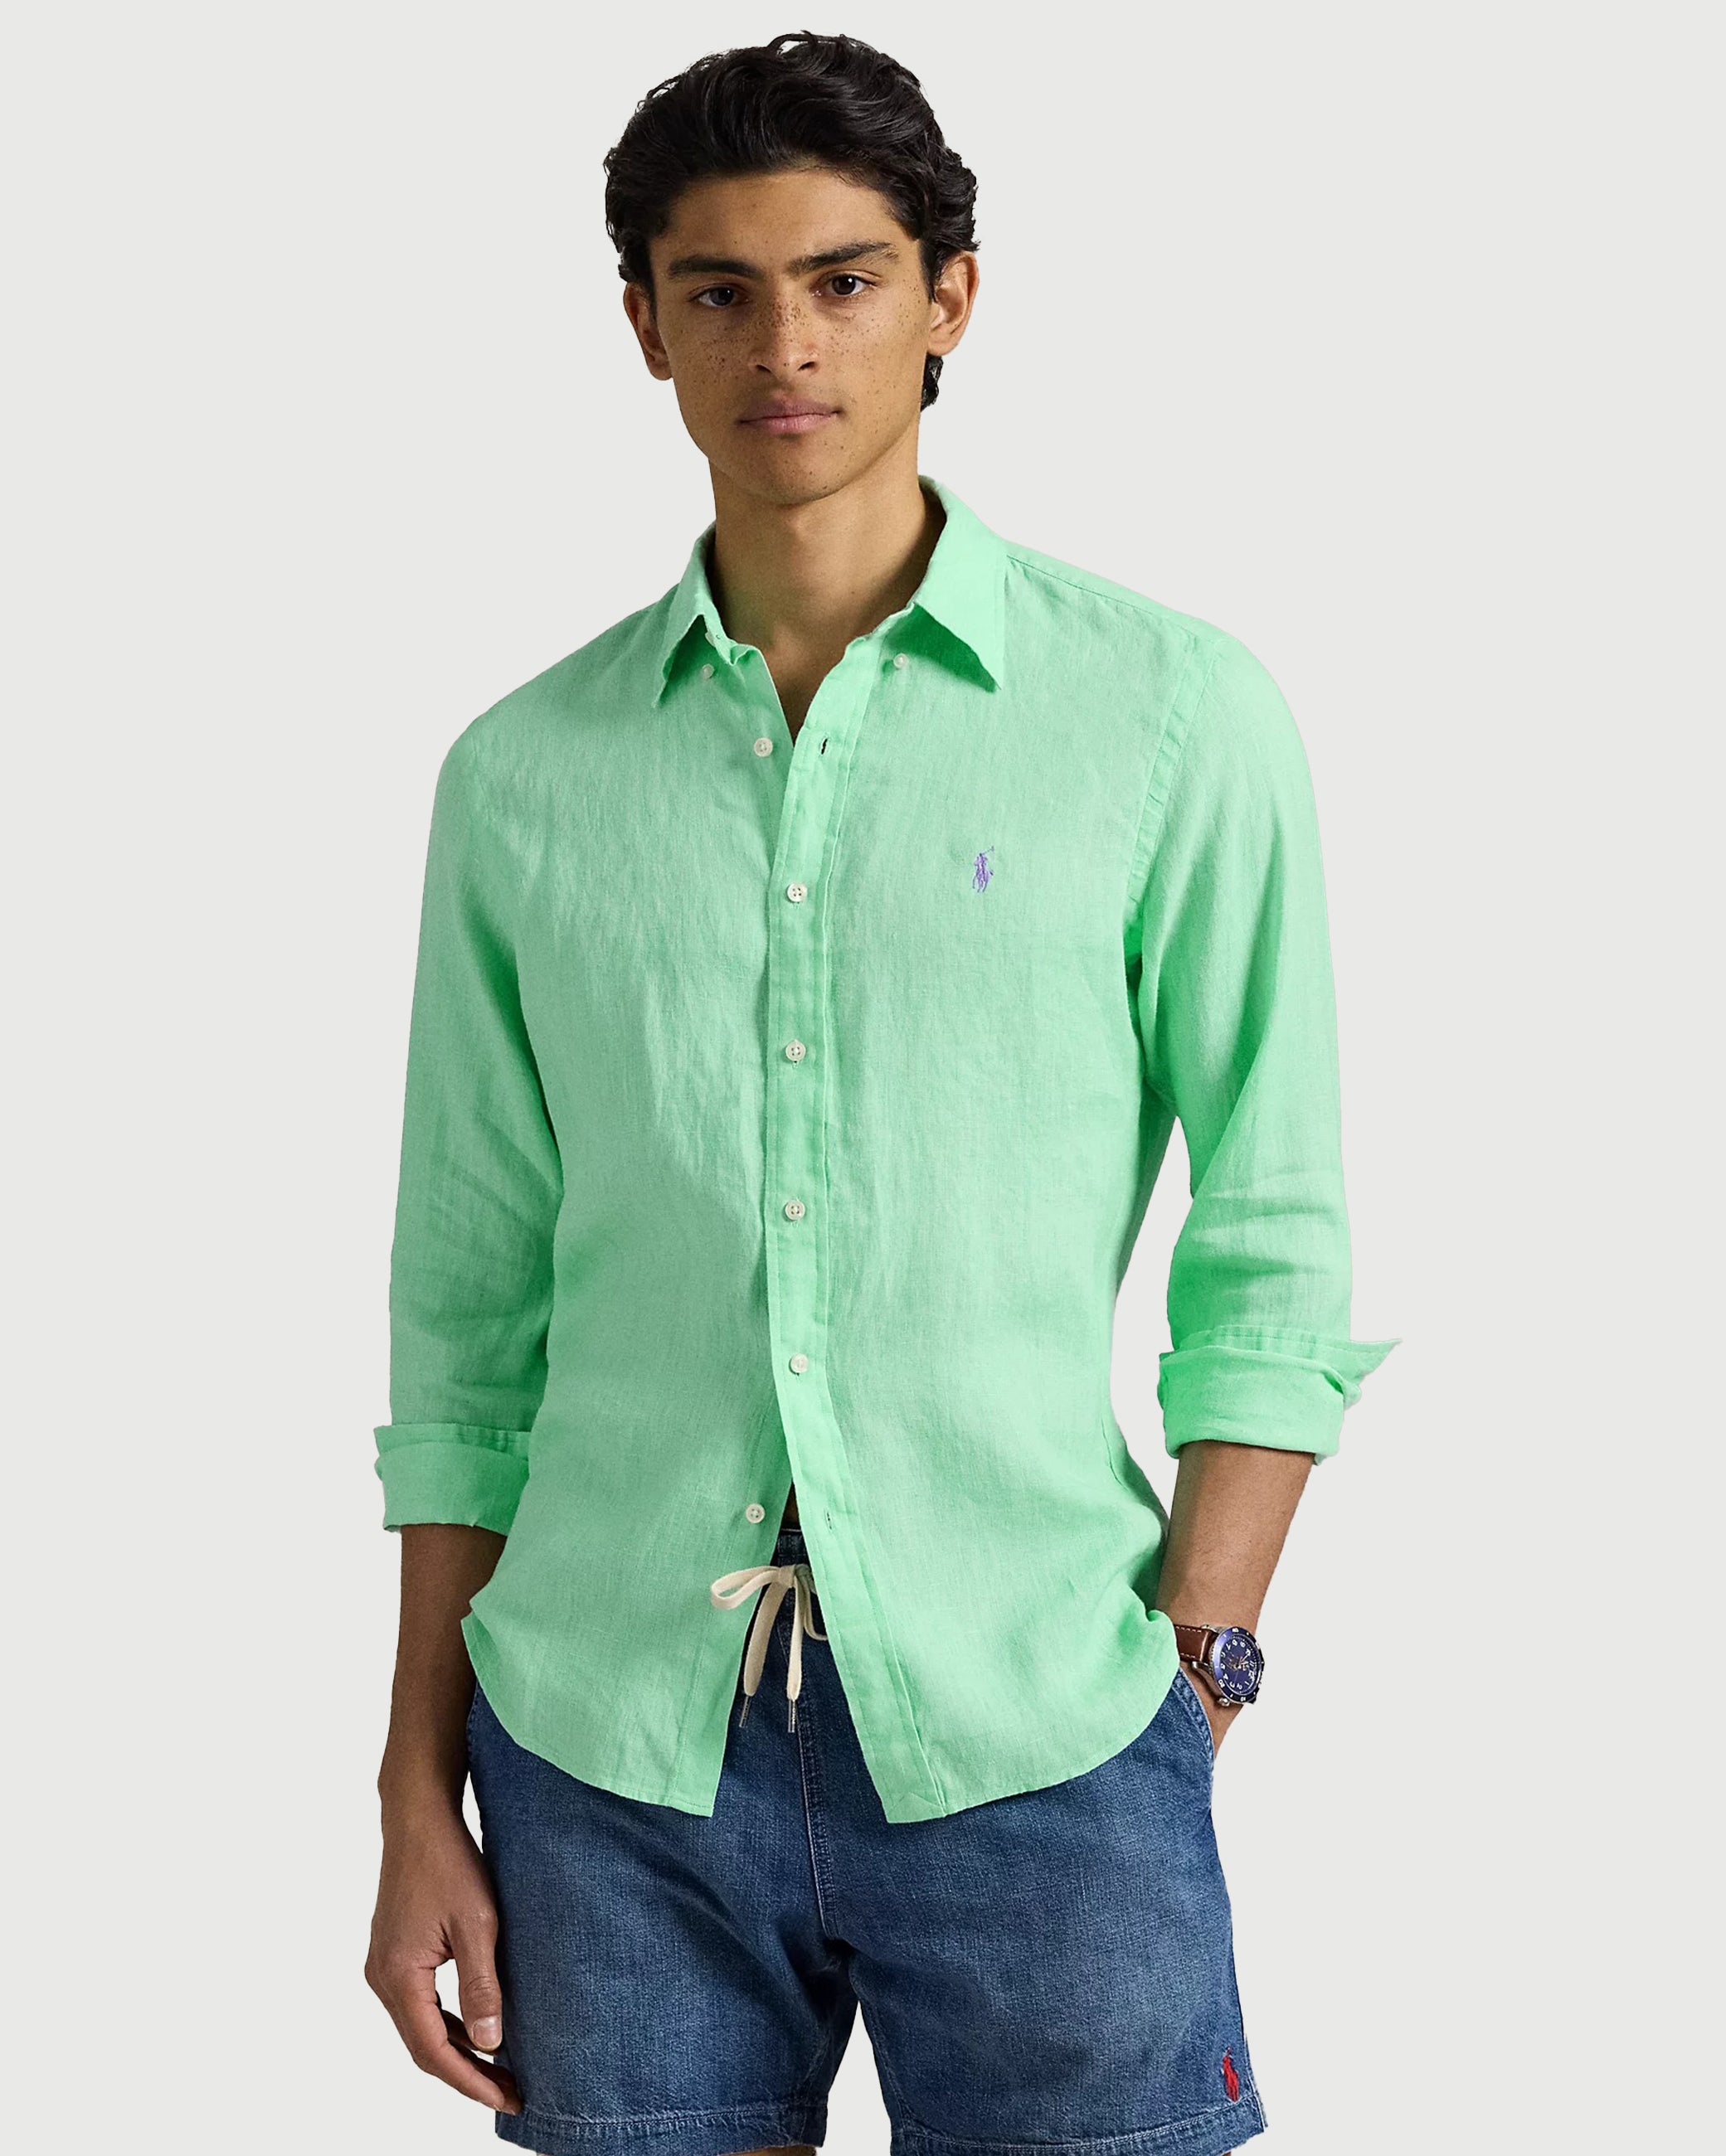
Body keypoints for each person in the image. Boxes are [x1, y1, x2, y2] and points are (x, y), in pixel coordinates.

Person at [364, 31, 1395, 2156]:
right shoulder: (524, 779)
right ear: (644, 324)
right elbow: (468, 1319)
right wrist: (414, 1781)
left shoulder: (1168, 717)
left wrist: (1199, 1659)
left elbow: (1276, 1228)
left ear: (952, 297)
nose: (787, 346)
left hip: (1043, 1718)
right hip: (604, 1751)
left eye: (843, 281)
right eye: (721, 290)